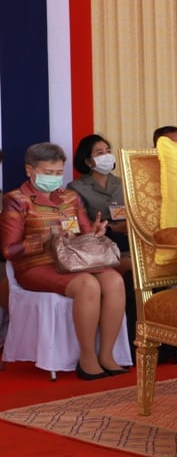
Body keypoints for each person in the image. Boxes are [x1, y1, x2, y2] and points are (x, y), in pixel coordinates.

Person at [1, 142, 127, 380]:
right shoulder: (16, 200)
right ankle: (87, 357)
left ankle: (108, 355)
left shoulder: (70, 197)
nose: (55, 178)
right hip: (36, 265)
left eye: (58, 173)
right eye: (48, 173)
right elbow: (9, 249)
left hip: (75, 260)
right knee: (87, 285)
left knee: (114, 281)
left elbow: (84, 234)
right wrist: (47, 238)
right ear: (30, 170)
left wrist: (95, 233)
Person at [67, 134, 131, 267]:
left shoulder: (123, 182)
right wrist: (111, 228)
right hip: (100, 240)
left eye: (108, 151)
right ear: (88, 161)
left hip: (129, 237)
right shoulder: (76, 187)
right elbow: (77, 223)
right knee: (129, 266)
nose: (106, 156)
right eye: (100, 153)